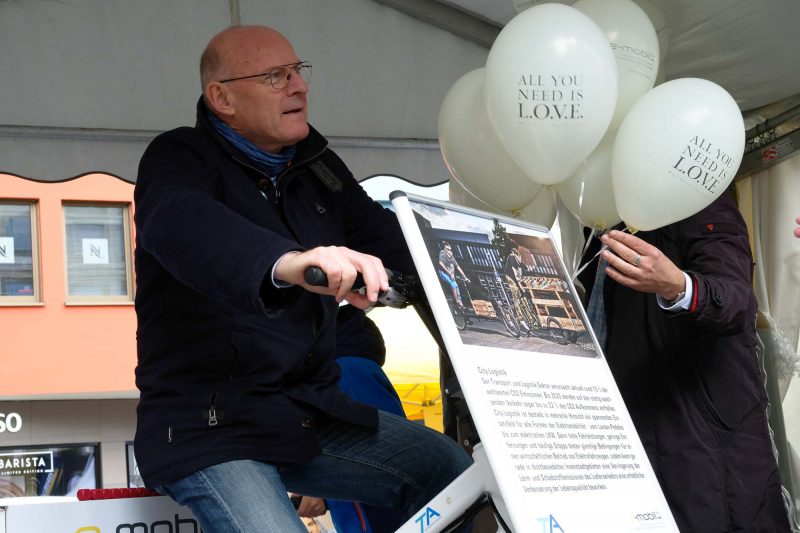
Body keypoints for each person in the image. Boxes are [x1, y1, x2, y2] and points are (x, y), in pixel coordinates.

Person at [133, 25, 471, 533]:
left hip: (303, 412)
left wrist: (483, 270)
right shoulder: (179, 156)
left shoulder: (319, 169)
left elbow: (392, 242)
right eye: (276, 76)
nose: (299, 86)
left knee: (451, 474)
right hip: (209, 425)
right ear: (222, 98)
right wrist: (287, 262)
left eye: (297, 71)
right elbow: (181, 223)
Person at [579, 191, 789, 531]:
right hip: (635, 438)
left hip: (703, 444)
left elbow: (736, 300)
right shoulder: (600, 223)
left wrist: (679, 286)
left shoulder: (699, 198)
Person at [438, 241, 469, 307]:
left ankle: (460, 302)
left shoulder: (452, 258)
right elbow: (441, 263)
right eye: (448, 249)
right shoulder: (442, 252)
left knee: (456, 286)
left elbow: (458, 267)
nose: (449, 251)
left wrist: (465, 277)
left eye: (450, 250)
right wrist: (449, 273)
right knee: (453, 285)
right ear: (445, 249)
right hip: (443, 273)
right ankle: (457, 301)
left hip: (450, 274)